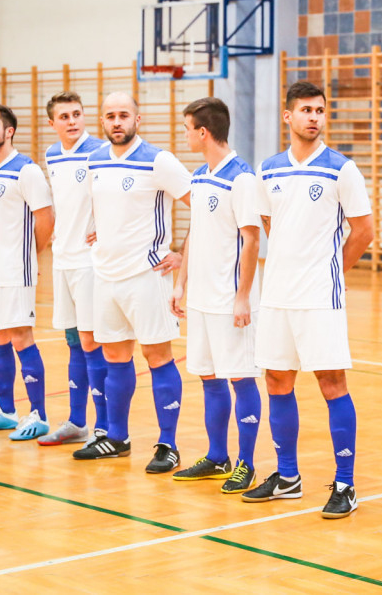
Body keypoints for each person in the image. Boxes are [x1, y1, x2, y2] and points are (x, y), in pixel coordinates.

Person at [242, 81, 374, 519]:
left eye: (319, 110)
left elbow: (364, 231)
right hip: (277, 295)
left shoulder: (341, 169)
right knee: (277, 382)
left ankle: (346, 483)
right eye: (305, 110)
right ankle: (287, 476)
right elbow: (268, 221)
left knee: (331, 384)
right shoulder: (269, 169)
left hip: (320, 298)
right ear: (288, 117)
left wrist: (335, 270)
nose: (314, 117)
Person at [73, 92, 191, 471]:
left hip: (147, 276)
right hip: (105, 277)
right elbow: (100, 207)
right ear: (103, 122)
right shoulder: (93, 161)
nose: (117, 122)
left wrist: (182, 255)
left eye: (124, 115)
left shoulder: (159, 161)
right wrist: (97, 230)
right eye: (110, 116)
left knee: (157, 357)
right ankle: (116, 438)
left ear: (138, 120)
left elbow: (203, 205)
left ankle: (167, 444)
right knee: (114, 357)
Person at [169, 97, 263, 493]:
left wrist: (242, 297)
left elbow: (252, 239)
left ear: (203, 133)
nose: (185, 135)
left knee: (240, 378)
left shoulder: (241, 179)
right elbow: (196, 234)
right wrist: (180, 284)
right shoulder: (200, 175)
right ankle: (217, 456)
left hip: (229, 301)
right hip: (201, 299)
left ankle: (246, 463)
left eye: (187, 128)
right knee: (209, 378)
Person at [0, 103, 56, 441]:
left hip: (14, 270)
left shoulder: (27, 170)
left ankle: (39, 415)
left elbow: (45, 218)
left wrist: (30, 256)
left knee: (21, 338)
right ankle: (5, 411)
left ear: (9, 131)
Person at [36, 91, 111, 447]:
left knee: (92, 342)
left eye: (77, 114)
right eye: (64, 116)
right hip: (62, 260)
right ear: (52, 123)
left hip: (91, 262)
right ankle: (77, 421)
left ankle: (105, 426)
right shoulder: (50, 154)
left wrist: (108, 225)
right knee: (72, 343)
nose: (72, 121)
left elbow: (119, 196)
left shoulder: (99, 151)